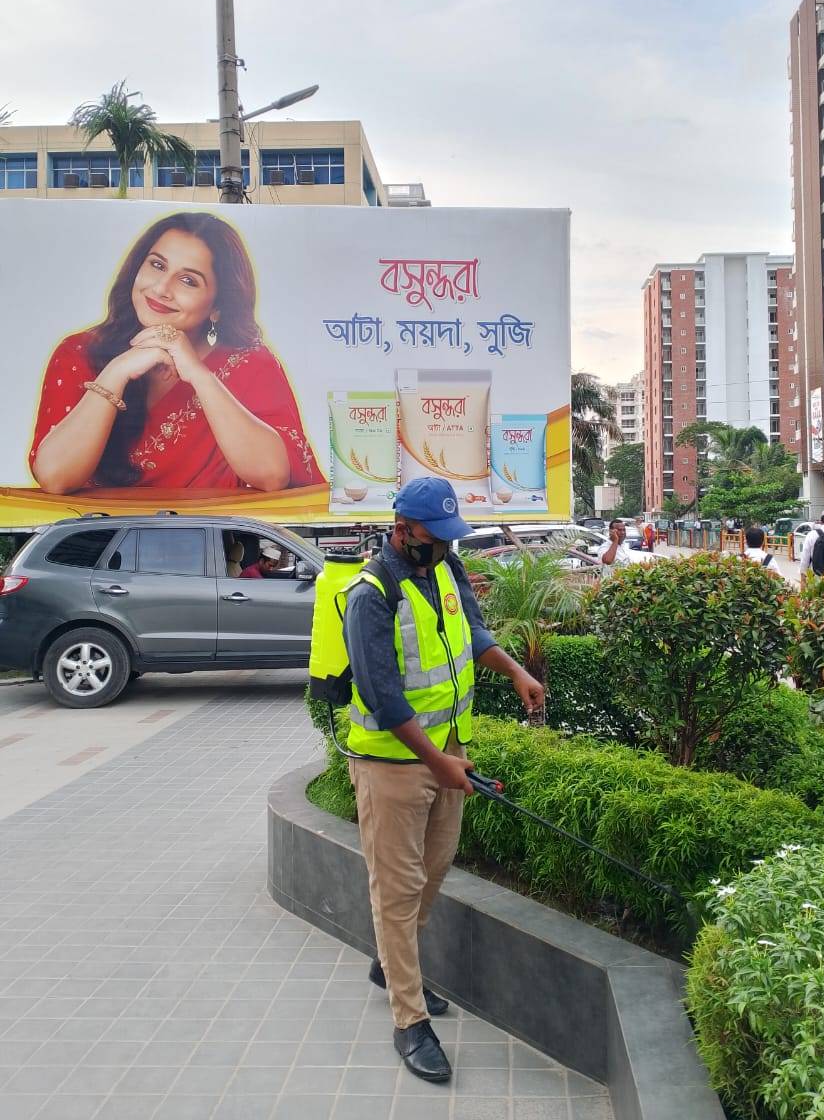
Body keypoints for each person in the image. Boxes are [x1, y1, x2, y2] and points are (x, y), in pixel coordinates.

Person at [341, 477, 544, 1085]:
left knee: (435, 868)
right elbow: (381, 695)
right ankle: (409, 1017)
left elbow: (473, 636)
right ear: (403, 530)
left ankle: (389, 965)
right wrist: (437, 762)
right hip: (392, 764)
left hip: (447, 752)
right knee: (398, 889)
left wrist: (512, 670)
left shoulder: (447, 571)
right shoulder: (371, 593)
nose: (445, 546)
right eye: (436, 537)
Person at [29, 211, 320, 495]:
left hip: (218, 541)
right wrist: (116, 373)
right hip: (103, 541)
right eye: (157, 265)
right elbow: (56, 477)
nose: (161, 288)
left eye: (189, 280)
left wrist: (198, 375)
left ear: (218, 306)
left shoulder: (250, 364)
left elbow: (272, 475)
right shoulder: (79, 353)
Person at [799, 509, 824, 576]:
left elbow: (805, 557)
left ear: (821, 521)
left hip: (817, 577)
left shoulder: (812, 534)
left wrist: (803, 573)